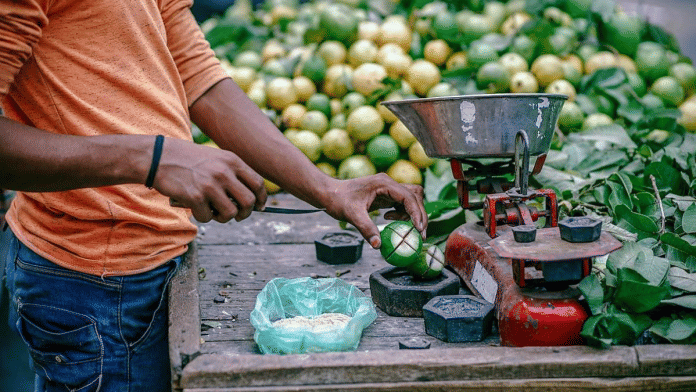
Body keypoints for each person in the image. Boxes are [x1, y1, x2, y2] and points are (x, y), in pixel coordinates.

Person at [0, 0, 427, 391]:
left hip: (159, 263)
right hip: (92, 284)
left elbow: (197, 75)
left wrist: (327, 189)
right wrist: (152, 159)